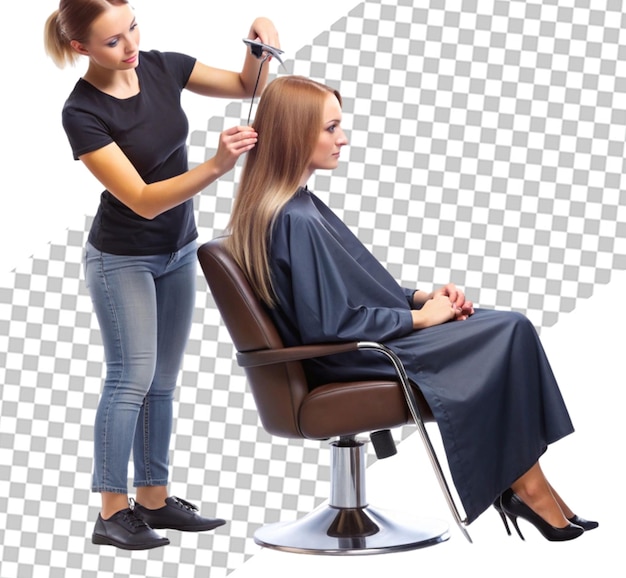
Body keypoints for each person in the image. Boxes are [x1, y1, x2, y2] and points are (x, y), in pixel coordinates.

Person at [225, 75, 598, 541]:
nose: (342, 138)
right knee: (510, 329)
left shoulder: (297, 205)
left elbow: (353, 288)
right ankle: (527, 485)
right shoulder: (295, 218)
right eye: (330, 128)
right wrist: (420, 319)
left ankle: (526, 481)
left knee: (506, 328)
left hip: (362, 341)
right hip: (352, 355)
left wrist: (421, 298)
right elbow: (330, 322)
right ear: (292, 133)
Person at [44, 0, 280, 550]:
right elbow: (143, 199)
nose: (129, 47)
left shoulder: (162, 66)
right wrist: (219, 164)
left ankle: (152, 498)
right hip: (122, 258)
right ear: (80, 48)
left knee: (164, 383)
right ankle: (111, 511)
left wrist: (261, 36)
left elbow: (248, 83)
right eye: (110, 42)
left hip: (178, 250)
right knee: (131, 378)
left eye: (132, 28)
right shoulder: (82, 112)